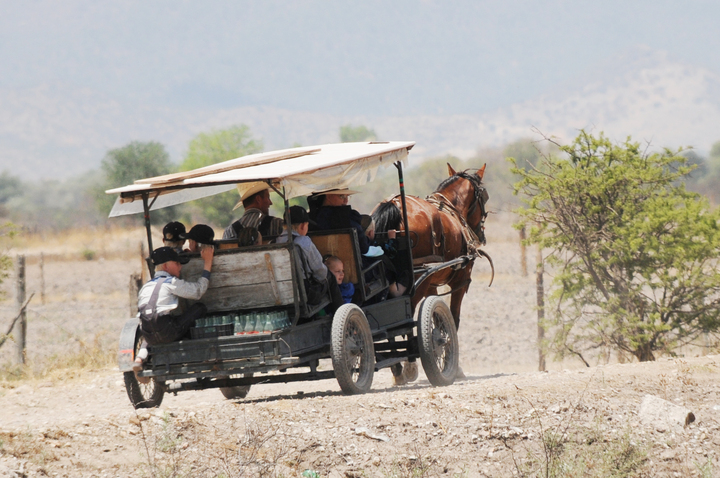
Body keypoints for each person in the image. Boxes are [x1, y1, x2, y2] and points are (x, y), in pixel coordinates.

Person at [133, 246, 214, 372]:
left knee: (152, 325)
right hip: (167, 331)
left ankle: (140, 357)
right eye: (177, 263)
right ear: (166, 266)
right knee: (199, 308)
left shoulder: (146, 287)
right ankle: (201, 354)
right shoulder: (171, 282)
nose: (180, 267)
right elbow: (198, 291)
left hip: (147, 333)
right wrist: (208, 262)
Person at [276, 205, 343, 312]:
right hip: (305, 294)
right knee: (329, 277)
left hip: (281, 291)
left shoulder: (274, 242)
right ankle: (340, 314)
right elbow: (320, 272)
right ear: (303, 226)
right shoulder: (303, 242)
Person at [313, 189, 370, 255]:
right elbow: (364, 248)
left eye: (347, 196)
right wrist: (369, 239)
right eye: (342, 196)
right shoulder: (348, 218)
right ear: (329, 196)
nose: (346, 201)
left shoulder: (311, 219)